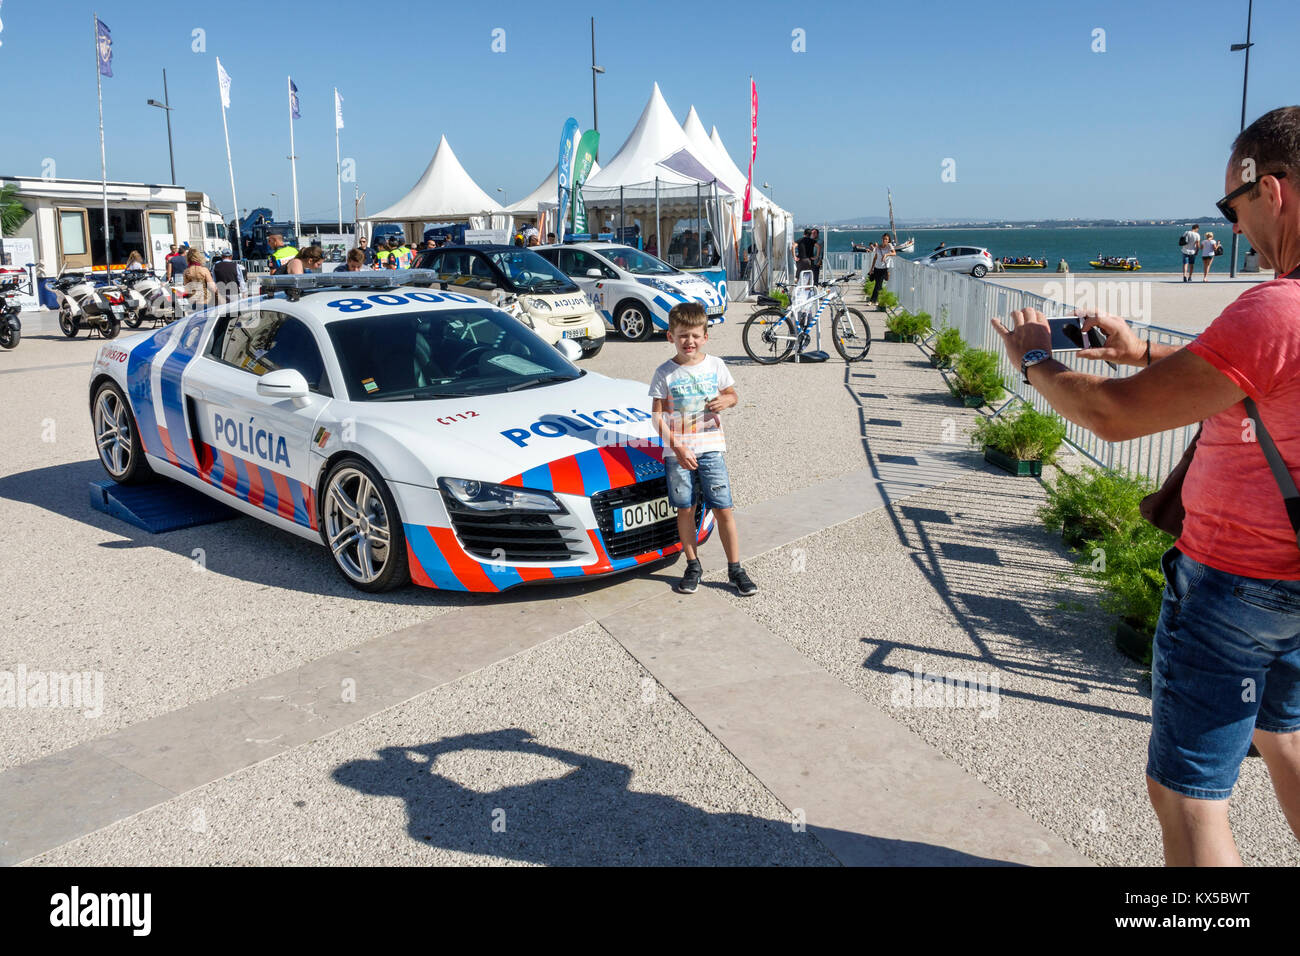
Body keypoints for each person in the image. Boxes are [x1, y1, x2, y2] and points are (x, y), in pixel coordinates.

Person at [991, 105, 1300, 866]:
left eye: (1233, 207)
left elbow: (1111, 418)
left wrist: (1036, 358)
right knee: (1285, 738)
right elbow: (1245, 380)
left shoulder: (1275, 310)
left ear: (1276, 192)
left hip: (1237, 581)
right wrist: (1142, 350)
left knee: (1189, 799)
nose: (1232, 228)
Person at [648, 301, 757, 598]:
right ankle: (693, 565)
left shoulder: (716, 365)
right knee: (686, 508)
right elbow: (657, 416)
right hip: (678, 453)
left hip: (711, 448)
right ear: (671, 336)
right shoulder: (664, 373)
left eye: (695, 335)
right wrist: (677, 447)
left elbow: (732, 395)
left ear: (705, 337)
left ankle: (736, 568)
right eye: (683, 335)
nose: (689, 341)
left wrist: (728, 401)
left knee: (723, 508)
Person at [868, 233, 896, 306]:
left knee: (878, 284)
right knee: (878, 285)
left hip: (884, 268)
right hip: (877, 268)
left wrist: (886, 254)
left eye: (886, 239)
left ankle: (872, 300)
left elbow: (894, 253)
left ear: (888, 240)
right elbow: (875, 258)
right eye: (883, 239)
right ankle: (877, 300)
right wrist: (871, 269)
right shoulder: (878, 247)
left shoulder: (889, 246)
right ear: (882, 239)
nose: (884, 240)